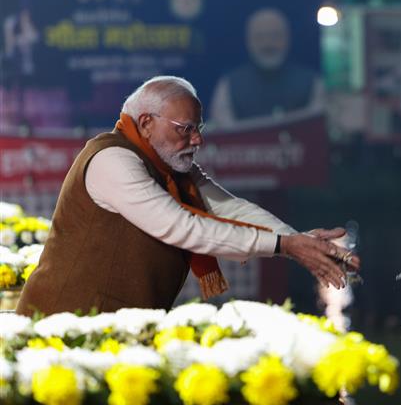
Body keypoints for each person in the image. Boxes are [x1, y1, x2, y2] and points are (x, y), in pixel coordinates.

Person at [16, 75, 358, 316]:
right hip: (63, 328)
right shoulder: (112, 159)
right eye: (186, 129)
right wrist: (284, 246)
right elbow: (182, 227)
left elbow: (229, 208)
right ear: (147, 123)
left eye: (199, 128)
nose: (197, 140)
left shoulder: (169, 168)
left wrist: (298, 241)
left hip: (115, 329)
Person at [209, 8, 323, 127]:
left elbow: (317, 125)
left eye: (275, 35)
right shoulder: (228, 85)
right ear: (248, 41)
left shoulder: (313, 83)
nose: (267, 43)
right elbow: (224, 132)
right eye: (260, 36)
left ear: (287, 38)